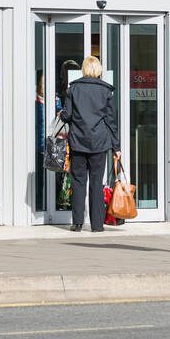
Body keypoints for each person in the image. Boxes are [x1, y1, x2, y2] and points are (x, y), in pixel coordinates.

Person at [59, 55, 120, 232]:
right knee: (96, 182)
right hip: (99, 143)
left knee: (78, 182)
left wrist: (61, 115)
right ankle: (97, 224)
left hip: (78, 141)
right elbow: (111, 121)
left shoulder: (74, 89)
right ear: (98, 69)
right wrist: (116, 147)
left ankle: (77, 223)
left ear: (84, 69)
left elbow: (67, 116)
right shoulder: (106, 91)